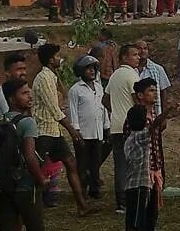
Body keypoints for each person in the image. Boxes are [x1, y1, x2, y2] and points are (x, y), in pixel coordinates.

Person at [0, 78, 48, 231]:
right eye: (24, 93)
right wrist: (40, 179)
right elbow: (29, 156)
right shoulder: (27, 123)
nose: (29, 96)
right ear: (11, 98)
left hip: (5, 186)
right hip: (26, 186)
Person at [29, 43, 92, 215]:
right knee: (37, 170)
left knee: (70, 162)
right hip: (43, 130)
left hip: (53, 130)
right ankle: (28, 205)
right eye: (57, 56)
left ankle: (82, 206)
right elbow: (54, 109)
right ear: (50, 60)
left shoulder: (51, 76)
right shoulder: (44, 78)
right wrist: (71, 129)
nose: (60, 59)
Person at [122, 101, 169, 231]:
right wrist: (168, 110)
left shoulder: (130, 139)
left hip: (137, 187)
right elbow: (155, 126)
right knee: (133, 227)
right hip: (138, 187)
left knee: (136, 225)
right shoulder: (140, 136)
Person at [66, 56, 107, 200]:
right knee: (82, 164)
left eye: (93, 69)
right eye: (88, 69)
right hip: (84, 132)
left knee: (95, 162)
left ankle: (94, 188)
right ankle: (82, 189)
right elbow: (73, 111)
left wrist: (106, 125)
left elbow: (102, 108)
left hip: (97, 131)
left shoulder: (99, 87)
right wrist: (76, 130)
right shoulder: (75, 90)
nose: (92, 71)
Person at [107, 44, 141, 213]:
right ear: (124, 58)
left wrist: (116, 111)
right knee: (132, 164)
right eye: (134, 55)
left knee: (119, 164)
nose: (138, 57)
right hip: (129, 127)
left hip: (116, 125)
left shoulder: (114, 76)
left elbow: (105, 100)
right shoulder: (132, 75)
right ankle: (129, 199)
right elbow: (138, 100)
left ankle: (121, 202)